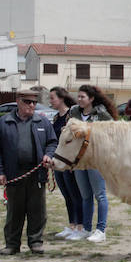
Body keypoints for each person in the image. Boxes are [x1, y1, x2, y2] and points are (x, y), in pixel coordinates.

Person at [0, 88, 57, 255]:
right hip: (14, 174)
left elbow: (52, 142)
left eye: (34, 102)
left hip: (37, 173)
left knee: (37, 211)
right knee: (14, 211)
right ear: (18, 101)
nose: (32, 105)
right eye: (27, 101)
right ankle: (12, 245)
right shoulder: (4, 123)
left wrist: (48, 155)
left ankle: (36, 242)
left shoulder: (43, 122)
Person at [69, 85, 117, 243]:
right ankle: (86, 229)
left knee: (100, 194)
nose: (79, 99)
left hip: (96, 159)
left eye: (83, 96)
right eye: (79, 96)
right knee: (85, 196)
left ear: (91, 99)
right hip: (79, 160)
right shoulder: (74, 112)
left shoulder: (101, 113)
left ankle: (101, 230)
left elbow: (113, 131)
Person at [48, 86, 85, 240]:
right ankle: (72, 225)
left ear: (61, 98)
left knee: (75, 194)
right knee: (67, 195)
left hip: (70, 163)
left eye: (52, 98)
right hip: (58, 161)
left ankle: (81, 226)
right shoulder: (56, 118)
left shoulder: (72, 116)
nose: (50, 101)